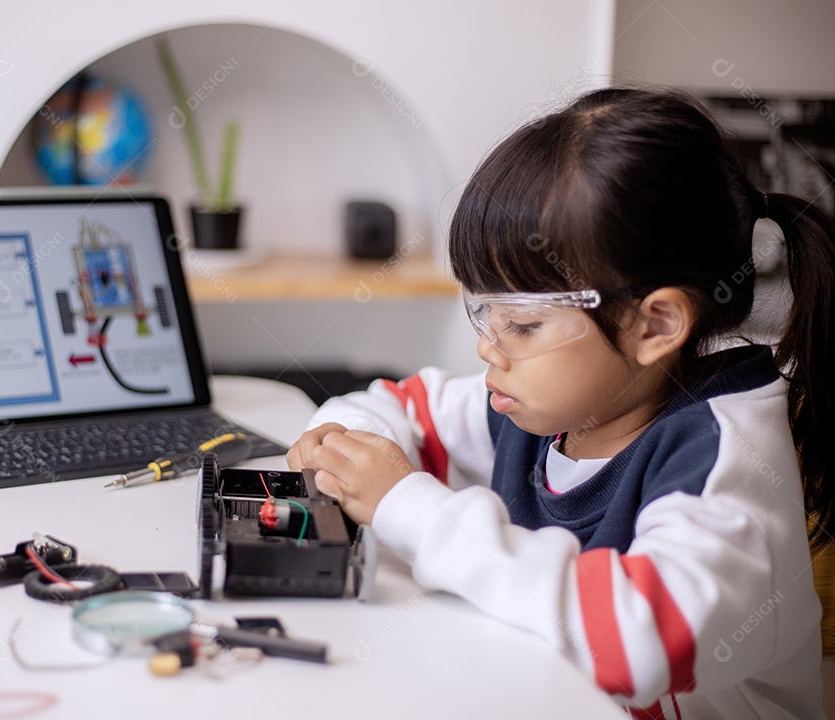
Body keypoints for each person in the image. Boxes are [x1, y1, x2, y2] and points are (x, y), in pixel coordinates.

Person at [287, 87, 835, 718]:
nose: (490, 349)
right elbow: (394, 406)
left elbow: (636, 644)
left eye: (522, 323)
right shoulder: (547, 403)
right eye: (482, 311)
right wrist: (340, 443)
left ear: (654, 325)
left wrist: (415, 510)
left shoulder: (725, 460)